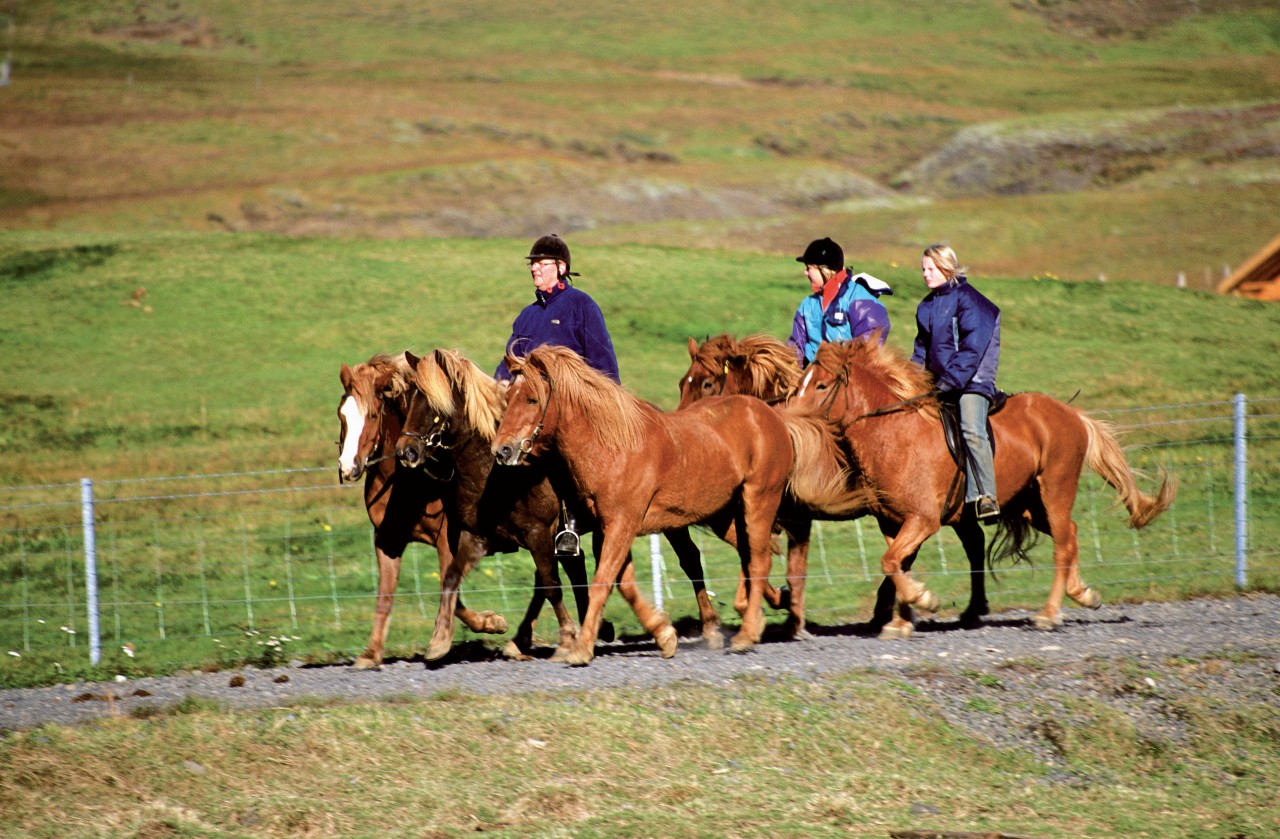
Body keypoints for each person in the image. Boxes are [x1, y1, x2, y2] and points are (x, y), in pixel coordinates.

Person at [494, 233, 620, 556]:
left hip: (574, 412)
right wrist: (496, 388)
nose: (534, 269)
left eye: (541, 263)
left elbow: (603, 360)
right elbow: (509, 362)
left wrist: (607, 408)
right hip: (532, 408)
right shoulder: (527, 315)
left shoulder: (581, 306)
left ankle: (571, 523)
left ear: (561, 267)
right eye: (532, 264)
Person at [911, 243, 1002, 520]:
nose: (925, 274)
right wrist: (914, 382)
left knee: (972, 429)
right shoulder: (926, 306)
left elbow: (972, 348)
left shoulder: (969, 300)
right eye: (923, 269)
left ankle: (986, 496)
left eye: (930, 268)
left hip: (972, 379)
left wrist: (949, 382)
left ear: (945, 267)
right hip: (944, 380)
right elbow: (921, 350)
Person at [788, 237, 892, 366]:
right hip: (816, 380)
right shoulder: (807, 306)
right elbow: (796, 349)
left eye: (809, 268)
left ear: (824, 269)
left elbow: (867, 351)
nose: (805, 272)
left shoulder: (861, 301)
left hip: (851, 379)